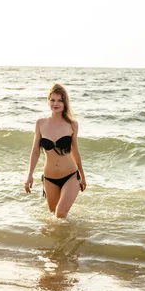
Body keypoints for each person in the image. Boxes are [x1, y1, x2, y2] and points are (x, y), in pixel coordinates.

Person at [25, 83, 86, 218]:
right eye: (52, 100)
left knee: (60, 213)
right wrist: (29, 175)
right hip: (49, 178)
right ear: (48, 101)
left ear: (65, 103)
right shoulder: (40, 123)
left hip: (70, 175)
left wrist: (82, 175)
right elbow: (35, 151)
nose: (56, 103)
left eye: (60, 100)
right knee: (54, 217)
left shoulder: (72, 125)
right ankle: (67, 237)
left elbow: (75, 151)